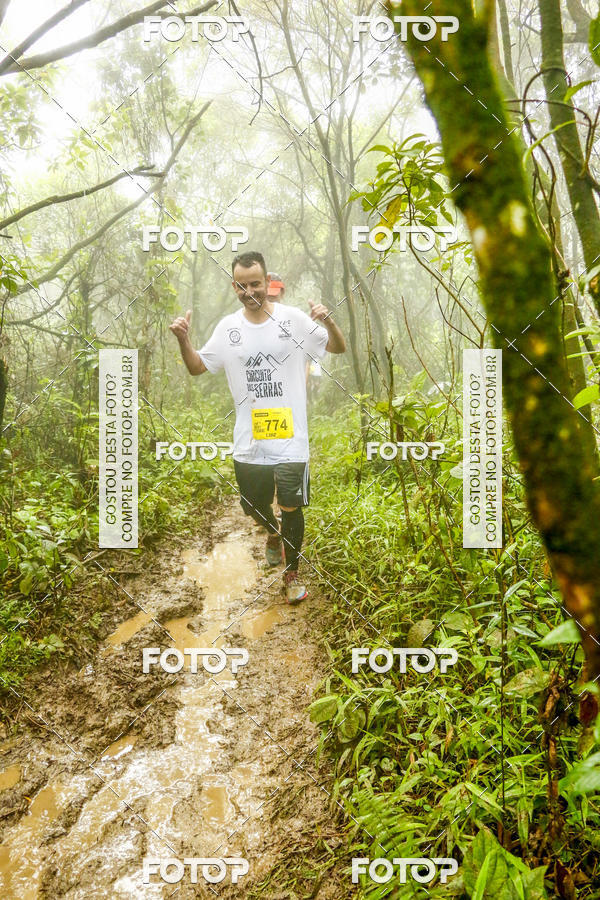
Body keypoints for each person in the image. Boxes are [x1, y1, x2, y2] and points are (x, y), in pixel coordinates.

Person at [169, 251, 346, 604]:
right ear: (234, 285)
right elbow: (197, 368)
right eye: (242, 285)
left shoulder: (294, 320)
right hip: (249, 440)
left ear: (267, 283)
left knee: (292, 506)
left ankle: (292, 575)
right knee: (252, 503)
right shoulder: (228, 328)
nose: (250, 290)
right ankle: (273, 532)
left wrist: (328, 321)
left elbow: (337, 347)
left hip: (291, 438)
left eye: (256, 283)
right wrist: (183, 340)